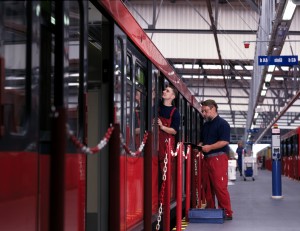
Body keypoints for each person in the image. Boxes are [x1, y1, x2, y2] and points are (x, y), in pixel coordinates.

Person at [198, 99, 233, 220]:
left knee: (220, 186)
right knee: (207, 186)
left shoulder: (223, 124)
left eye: (205, 111)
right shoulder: (206, 125)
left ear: (213, 108)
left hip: (218, 158)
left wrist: (209, 147)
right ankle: (211, 209)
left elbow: (224, 141)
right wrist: (199, 146)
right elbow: (203, 140)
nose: (204, 114)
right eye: (203, 111)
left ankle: (227, 212)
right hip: (207, 159)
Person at [157, 85, 180, 170]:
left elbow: (174, 131)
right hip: (155, 144)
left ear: (173, 96)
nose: (164, 91)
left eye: (167, 91)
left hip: (166, 147)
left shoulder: (175, 112)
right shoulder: (157, 106)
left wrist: (162, 127)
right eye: (164, 90)